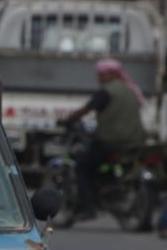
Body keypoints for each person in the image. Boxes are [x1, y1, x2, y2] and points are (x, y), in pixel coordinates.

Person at [60, 58, 151, 220]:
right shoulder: (131, 90)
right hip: (134, 143)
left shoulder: (107, 92)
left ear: (110, 74)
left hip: (110, 142)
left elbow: (85, 110)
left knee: (82, 167)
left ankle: (86, 208)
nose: (99, 78)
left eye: (100, 74)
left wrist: (67, 120)